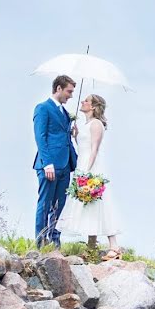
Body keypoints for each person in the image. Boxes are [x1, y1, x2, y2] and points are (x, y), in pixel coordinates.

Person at [57, 93, 122, 259]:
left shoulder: (96, 124)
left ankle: (114, 247)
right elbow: (83, 147)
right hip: (82, 164)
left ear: (93, 106)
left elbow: (94, 149)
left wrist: (87, 172)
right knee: (88, 206)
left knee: (100, 203)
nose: (83, 102)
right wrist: (76, 135)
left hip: (91, 167)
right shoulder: (85, 124)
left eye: (86, 100)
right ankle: (91, 246)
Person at [32, 75, 78, 248]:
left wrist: (71, 131)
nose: (71, 95)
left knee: (60, 206)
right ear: (58, 88)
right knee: (45, 204)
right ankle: (40, 243)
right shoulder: (43, 108)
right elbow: (40, 137)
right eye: (69, 91)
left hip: (66, 165)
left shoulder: (65, 113)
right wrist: (47, 163)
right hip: (49, 165)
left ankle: (54, 241)